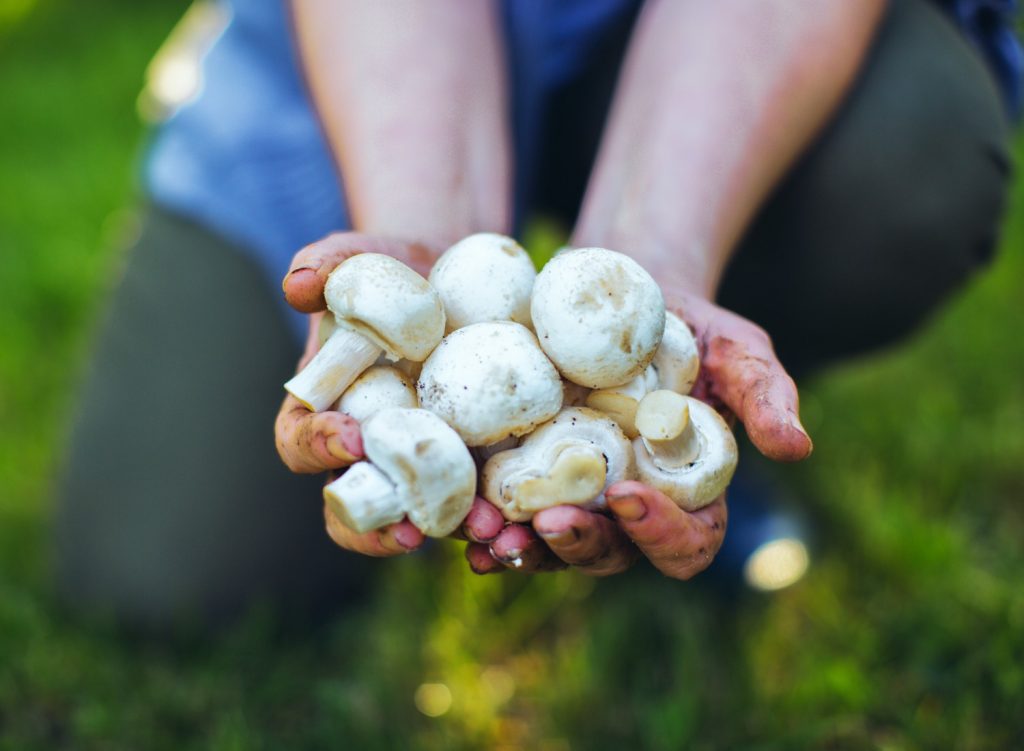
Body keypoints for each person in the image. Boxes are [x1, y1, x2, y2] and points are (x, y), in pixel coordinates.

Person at [56, 0, 1019, 627]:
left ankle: (672, 455)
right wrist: (421, 221)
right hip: (373, 57)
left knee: (908, 160)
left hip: (720, 53)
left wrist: (660, 249)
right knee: (158, 582)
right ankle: (492, 488)